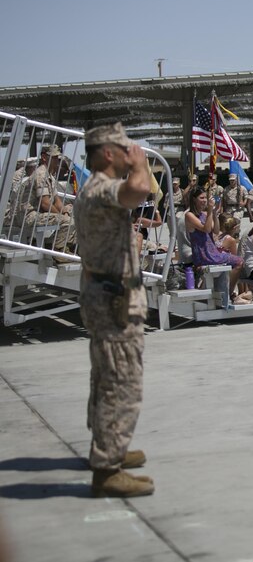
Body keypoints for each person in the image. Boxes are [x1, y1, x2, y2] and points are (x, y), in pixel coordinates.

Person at [73, 122, 154, 498]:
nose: (130, 154)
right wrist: (142, 164)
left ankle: (110, 447)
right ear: (108, 153)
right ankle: (107, 467)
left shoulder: (93, 190)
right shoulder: (102, 188)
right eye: (124, 150)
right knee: (121, 383)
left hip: (106, 295)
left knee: (106, 376)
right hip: (112, 299)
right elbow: (140, 189)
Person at [185, 186, 246, 303]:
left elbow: (216, 230)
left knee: (239, 261)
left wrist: (213, 213)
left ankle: (228, 291)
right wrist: (209, 212)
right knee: (239, 262)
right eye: (201, 198)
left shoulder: (204, 214)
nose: (204, 200)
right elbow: (206, 229)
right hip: (204, 254)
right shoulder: (190, 215)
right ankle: (229, 292)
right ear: (194, 199)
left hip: (212, 252)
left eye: (205, 198)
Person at [23, 144, 77, 255]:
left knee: (74, 212)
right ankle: (58, 250)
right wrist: (62, 216)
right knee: (67, 221)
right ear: (44, 157)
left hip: (41, 213)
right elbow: (45, 204)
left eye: (57, 158)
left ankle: (69, 244)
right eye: (54, 157)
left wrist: (65, 212)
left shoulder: (49, 176)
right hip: (31, 215)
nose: (57, 161)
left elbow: (57, 201)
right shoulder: (40, 174)